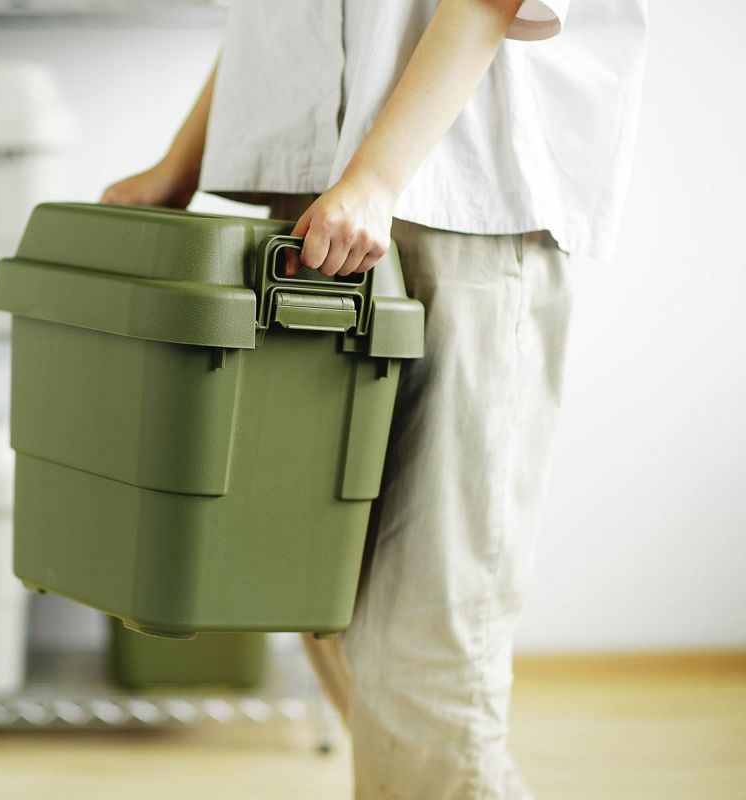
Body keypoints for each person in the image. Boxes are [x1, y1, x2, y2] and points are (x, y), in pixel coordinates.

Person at [101, 1, 649, 797]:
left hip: (451, 197)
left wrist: (376, 176)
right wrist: (179, 167)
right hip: (319, 210)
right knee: (322, 600)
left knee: (424, 638)